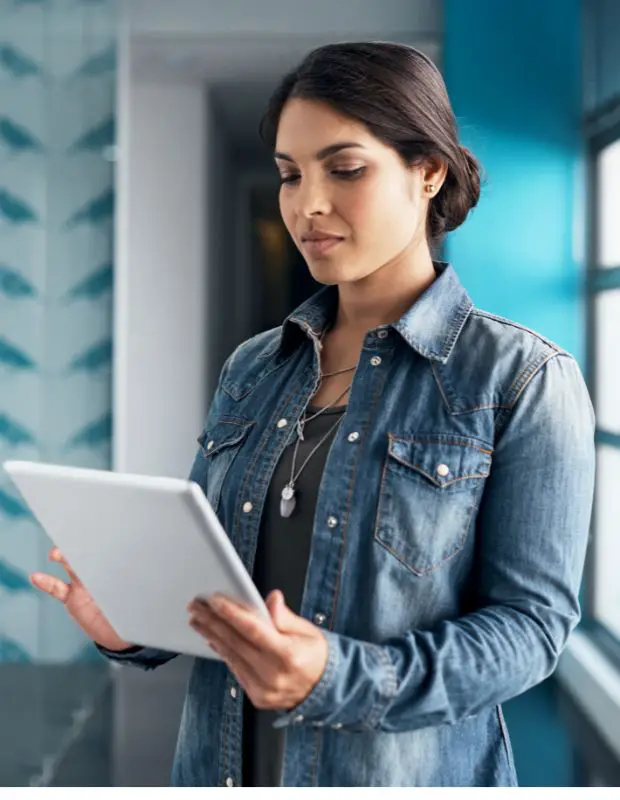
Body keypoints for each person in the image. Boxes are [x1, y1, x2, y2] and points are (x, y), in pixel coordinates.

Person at [30, 42, 595, 788]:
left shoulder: (521, 378)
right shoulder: (254, 366)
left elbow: (531, 630)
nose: (307, 205)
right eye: (290, 175)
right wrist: (132, 625)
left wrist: (340, 675)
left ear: (428, 171)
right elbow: (218, 581)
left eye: (345, 169)